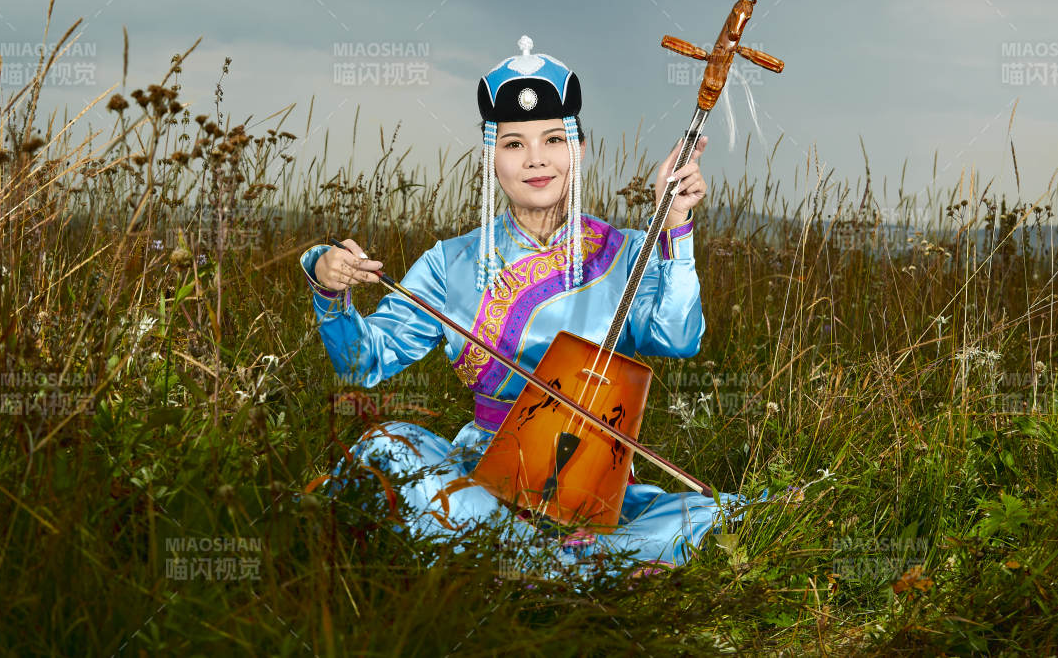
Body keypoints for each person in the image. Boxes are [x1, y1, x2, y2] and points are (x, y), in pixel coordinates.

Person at [301, 35, 758, 583]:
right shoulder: (451, 263)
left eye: (553, 140)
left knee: (717, 515)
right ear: (492, 157)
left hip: (593, 481)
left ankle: (523, 565)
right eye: (514, 144)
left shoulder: (630, 253)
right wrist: (329, 286)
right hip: (481, 475)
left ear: (580, 150)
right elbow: (361, 362)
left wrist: (675, 225)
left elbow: (679, 339)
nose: (536, 159)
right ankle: (569, 566)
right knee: (391, 448)